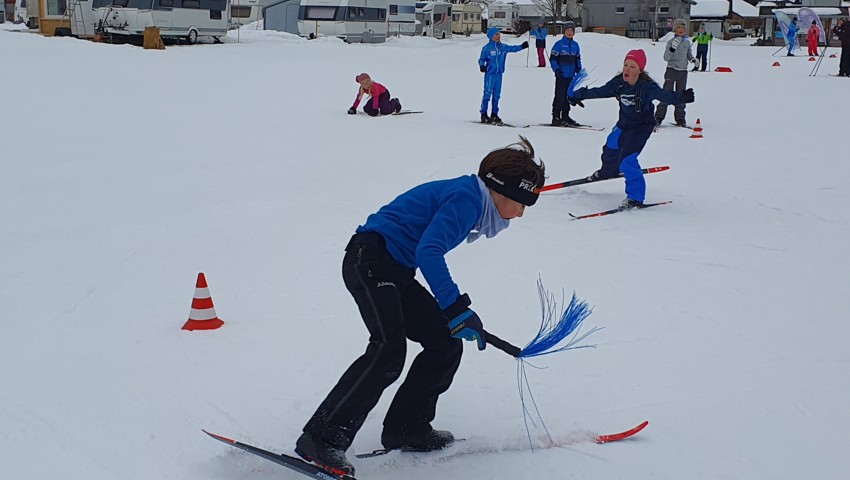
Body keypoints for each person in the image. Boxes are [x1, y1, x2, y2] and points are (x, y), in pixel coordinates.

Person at [295, 136, 546, 476]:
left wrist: (453, 312)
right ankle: (322, 438)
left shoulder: (470, 197)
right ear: (505, 192)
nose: (520, 214)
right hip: (370, 260)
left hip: (393, 269)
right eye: (522, 204)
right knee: (388, 350)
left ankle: (406, 428)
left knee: (444, 341)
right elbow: (430, 251)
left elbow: (424, 251)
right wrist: (455, 306)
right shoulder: (468, 200)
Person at [570, 49, 694, 209]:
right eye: (625, 65)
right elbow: (600, 91)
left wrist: (679, 98)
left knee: (627, 159)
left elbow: (663, 95)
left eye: (632, 66)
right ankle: (608, 171)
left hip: (641, 127)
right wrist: (579, 94)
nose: (627, 69)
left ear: (640, 70)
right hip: (624, 124)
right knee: (610, 147)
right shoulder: (619, 83)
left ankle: (635, 197)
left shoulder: (647, 87)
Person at [478, 27, 529, 124]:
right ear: (491, 36)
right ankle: (484, 114)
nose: (498, 36)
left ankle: (494, 114)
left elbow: (512, 48)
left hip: (499, 74)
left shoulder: (502, 47)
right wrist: (482, 66)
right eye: (496, 34)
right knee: (487, 94)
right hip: (490, 74)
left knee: (497, 95)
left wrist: (522, 46)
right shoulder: (487, 48)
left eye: (499, 34)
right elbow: (481, 59)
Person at [654, 19, 697, 127]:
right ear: (675, 29)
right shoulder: (670, 42)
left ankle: (680, 118)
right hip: (671, 70)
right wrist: (673, 48)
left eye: (683, 28)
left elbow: (688, 54)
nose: (681, 30)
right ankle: (658, 117)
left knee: (681, 94)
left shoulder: (687, 42)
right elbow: (666, 57)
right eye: (679, 28)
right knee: (666, 93)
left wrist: (693, 60)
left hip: (683, 71)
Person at [549, 21, 582, 126]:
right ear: (564, 32)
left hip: (571, 76)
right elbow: (553, 59)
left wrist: (578, 68)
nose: (569, 32)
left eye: (571, 30)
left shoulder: (575, 45)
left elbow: (578, 59)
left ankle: (565, 116)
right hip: (561, 75)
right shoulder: (559, 45)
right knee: (560, 96)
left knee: (568, 96)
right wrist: (557, 69)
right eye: (567, 30)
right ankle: (556, 116)